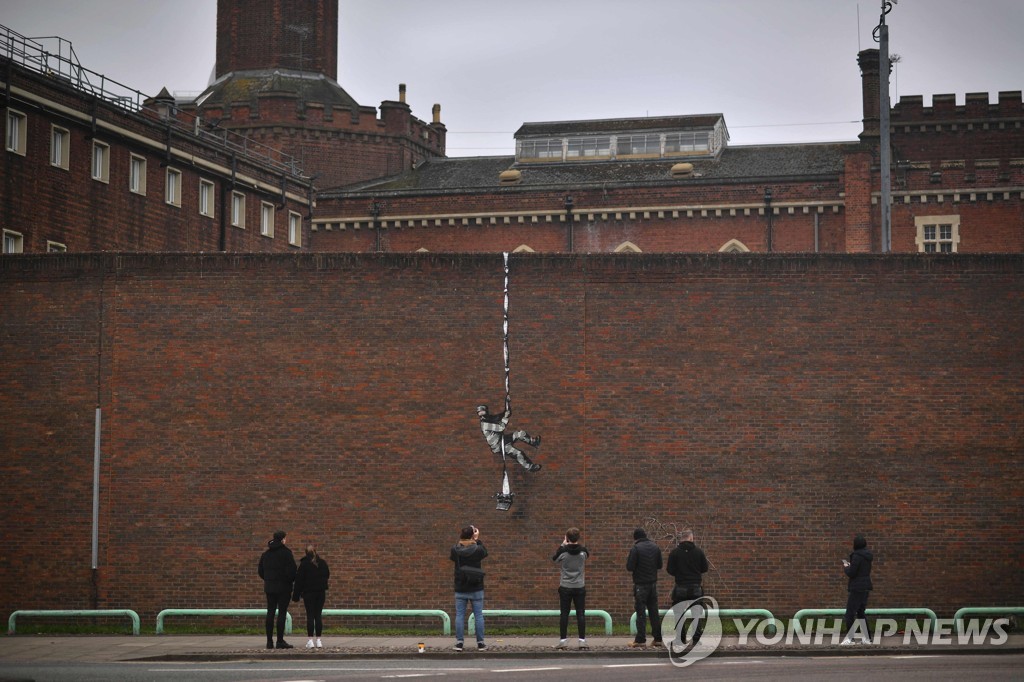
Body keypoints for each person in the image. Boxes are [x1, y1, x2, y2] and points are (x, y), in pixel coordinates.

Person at [666, 529, 709, 647]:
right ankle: (695, 640)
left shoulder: (675, 553)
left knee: (679, 613)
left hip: (680, 587)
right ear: (690, 538)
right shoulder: (699, 552)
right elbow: (704, 568)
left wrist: (680, 573)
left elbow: (669, 570)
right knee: (697, 613)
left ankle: (680, 639)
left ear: (681, 539)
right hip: (695, 586)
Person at [451, 524, 488, 652]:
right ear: (473, 534)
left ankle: (459, 643)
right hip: (476, 586)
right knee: (478, 615)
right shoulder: (477, 549)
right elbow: (485, 552)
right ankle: (481, 643)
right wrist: (477, 539)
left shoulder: (455, 549)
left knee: (460, 615)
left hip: (461, 586)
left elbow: (453, 558)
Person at [258, 530, 297, 649]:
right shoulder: (286, 553)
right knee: (282, 613)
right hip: (284, 588)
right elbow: (292, 571)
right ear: (282, 539)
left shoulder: (266, 554)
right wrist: (288, 581)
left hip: (269, 587)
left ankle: (269, 642)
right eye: (285, 538)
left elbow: (261, 571)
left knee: (270, 613)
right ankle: (280, 641)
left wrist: (269, 580)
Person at [552, 527, 590, 650]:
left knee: (564, 614)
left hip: (565, 586)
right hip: (579, 586)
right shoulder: (583, 552)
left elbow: (555, 559)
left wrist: (563, 545)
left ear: (567, 538)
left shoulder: (563, 552)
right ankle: (582, 641)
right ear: (578, 537)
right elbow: (586, 555)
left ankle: (563, 641)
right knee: (581, 613)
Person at [476, 404, 542, 472]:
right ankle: (530, 467)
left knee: (520, 434)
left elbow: (497, 417)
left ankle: (533, 442)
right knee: (518, 453)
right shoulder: (485, 424)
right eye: (481, 413)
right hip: (499, 446)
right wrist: (506, 417)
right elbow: (501, 428)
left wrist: (506, 411)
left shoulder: (488, 419)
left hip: (503, 439)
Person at [626, 528, 663, 648]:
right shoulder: (655, 547)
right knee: (654, 612)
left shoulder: (636, 548)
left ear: (635, 538)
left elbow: (630, 567)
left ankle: (640, 639)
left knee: (640, 613)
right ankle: (657, 639)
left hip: (640, 585)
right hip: (653, 584)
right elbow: (660, 565)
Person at [292, 543, 331, 649]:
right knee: (318, 616)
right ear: (315, 551)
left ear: (306, 553)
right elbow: (327, 575)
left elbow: (299, 581)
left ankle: (310, 640)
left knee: (310, 616)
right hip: (320, 592)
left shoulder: (304, 564)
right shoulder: (322, 563)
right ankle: (319, 640)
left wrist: (295, 595)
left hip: (309, 593)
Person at [840, 534, 874, 646]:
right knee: (860, 613)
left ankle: (850, 639)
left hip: (857, 587)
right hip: (865, 587)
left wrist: (846, 566)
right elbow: (861, 569)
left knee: (849, 614)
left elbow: (851, 573)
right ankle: (867, 639)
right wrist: (852, 565)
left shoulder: (857, 556)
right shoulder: (867, 556)